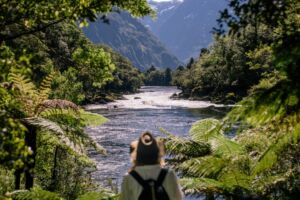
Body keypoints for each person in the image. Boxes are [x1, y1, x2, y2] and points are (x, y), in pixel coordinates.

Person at [120, 132, 184, 200]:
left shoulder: (129, 177)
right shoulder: (168, 174)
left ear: (137, 155)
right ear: (158, 154)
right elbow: (178, 198)